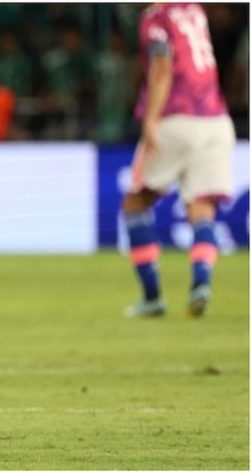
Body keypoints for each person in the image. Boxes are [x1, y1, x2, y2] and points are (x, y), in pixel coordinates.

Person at [122, 3, 235, 318]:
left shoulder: (155, 18)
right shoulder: (194, 10)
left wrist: (151, 119)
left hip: (175, 118)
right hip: (216, 120)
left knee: (135, 203)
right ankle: (201, 282)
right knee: (201, 207)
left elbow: (162, 66)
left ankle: (152, 297)